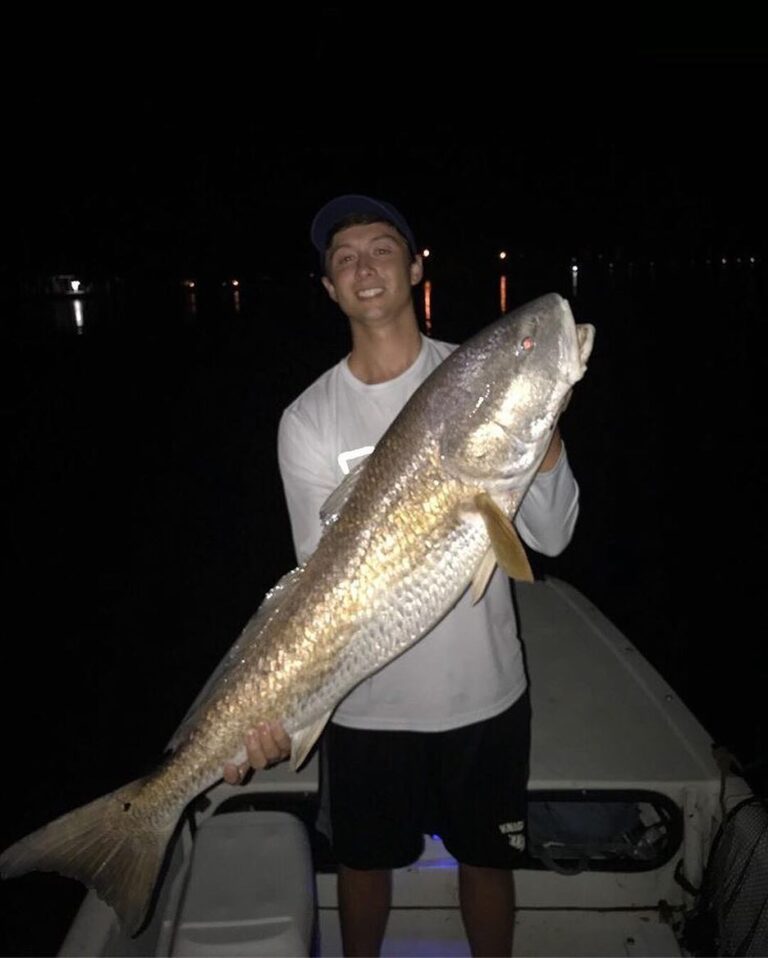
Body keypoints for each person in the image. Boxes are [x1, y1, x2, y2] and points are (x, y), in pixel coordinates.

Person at [224, 194, 581, 957]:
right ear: (329, 287)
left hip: (485, 695)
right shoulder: (309, 420)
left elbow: (550, 534)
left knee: (487, 865)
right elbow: (316, 585)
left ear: (415, 267)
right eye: (343, 257)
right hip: (361, 707)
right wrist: (273, 707)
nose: (364, 265)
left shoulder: (475, 376)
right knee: (362, 869)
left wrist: (543, 443)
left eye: (381, 247)